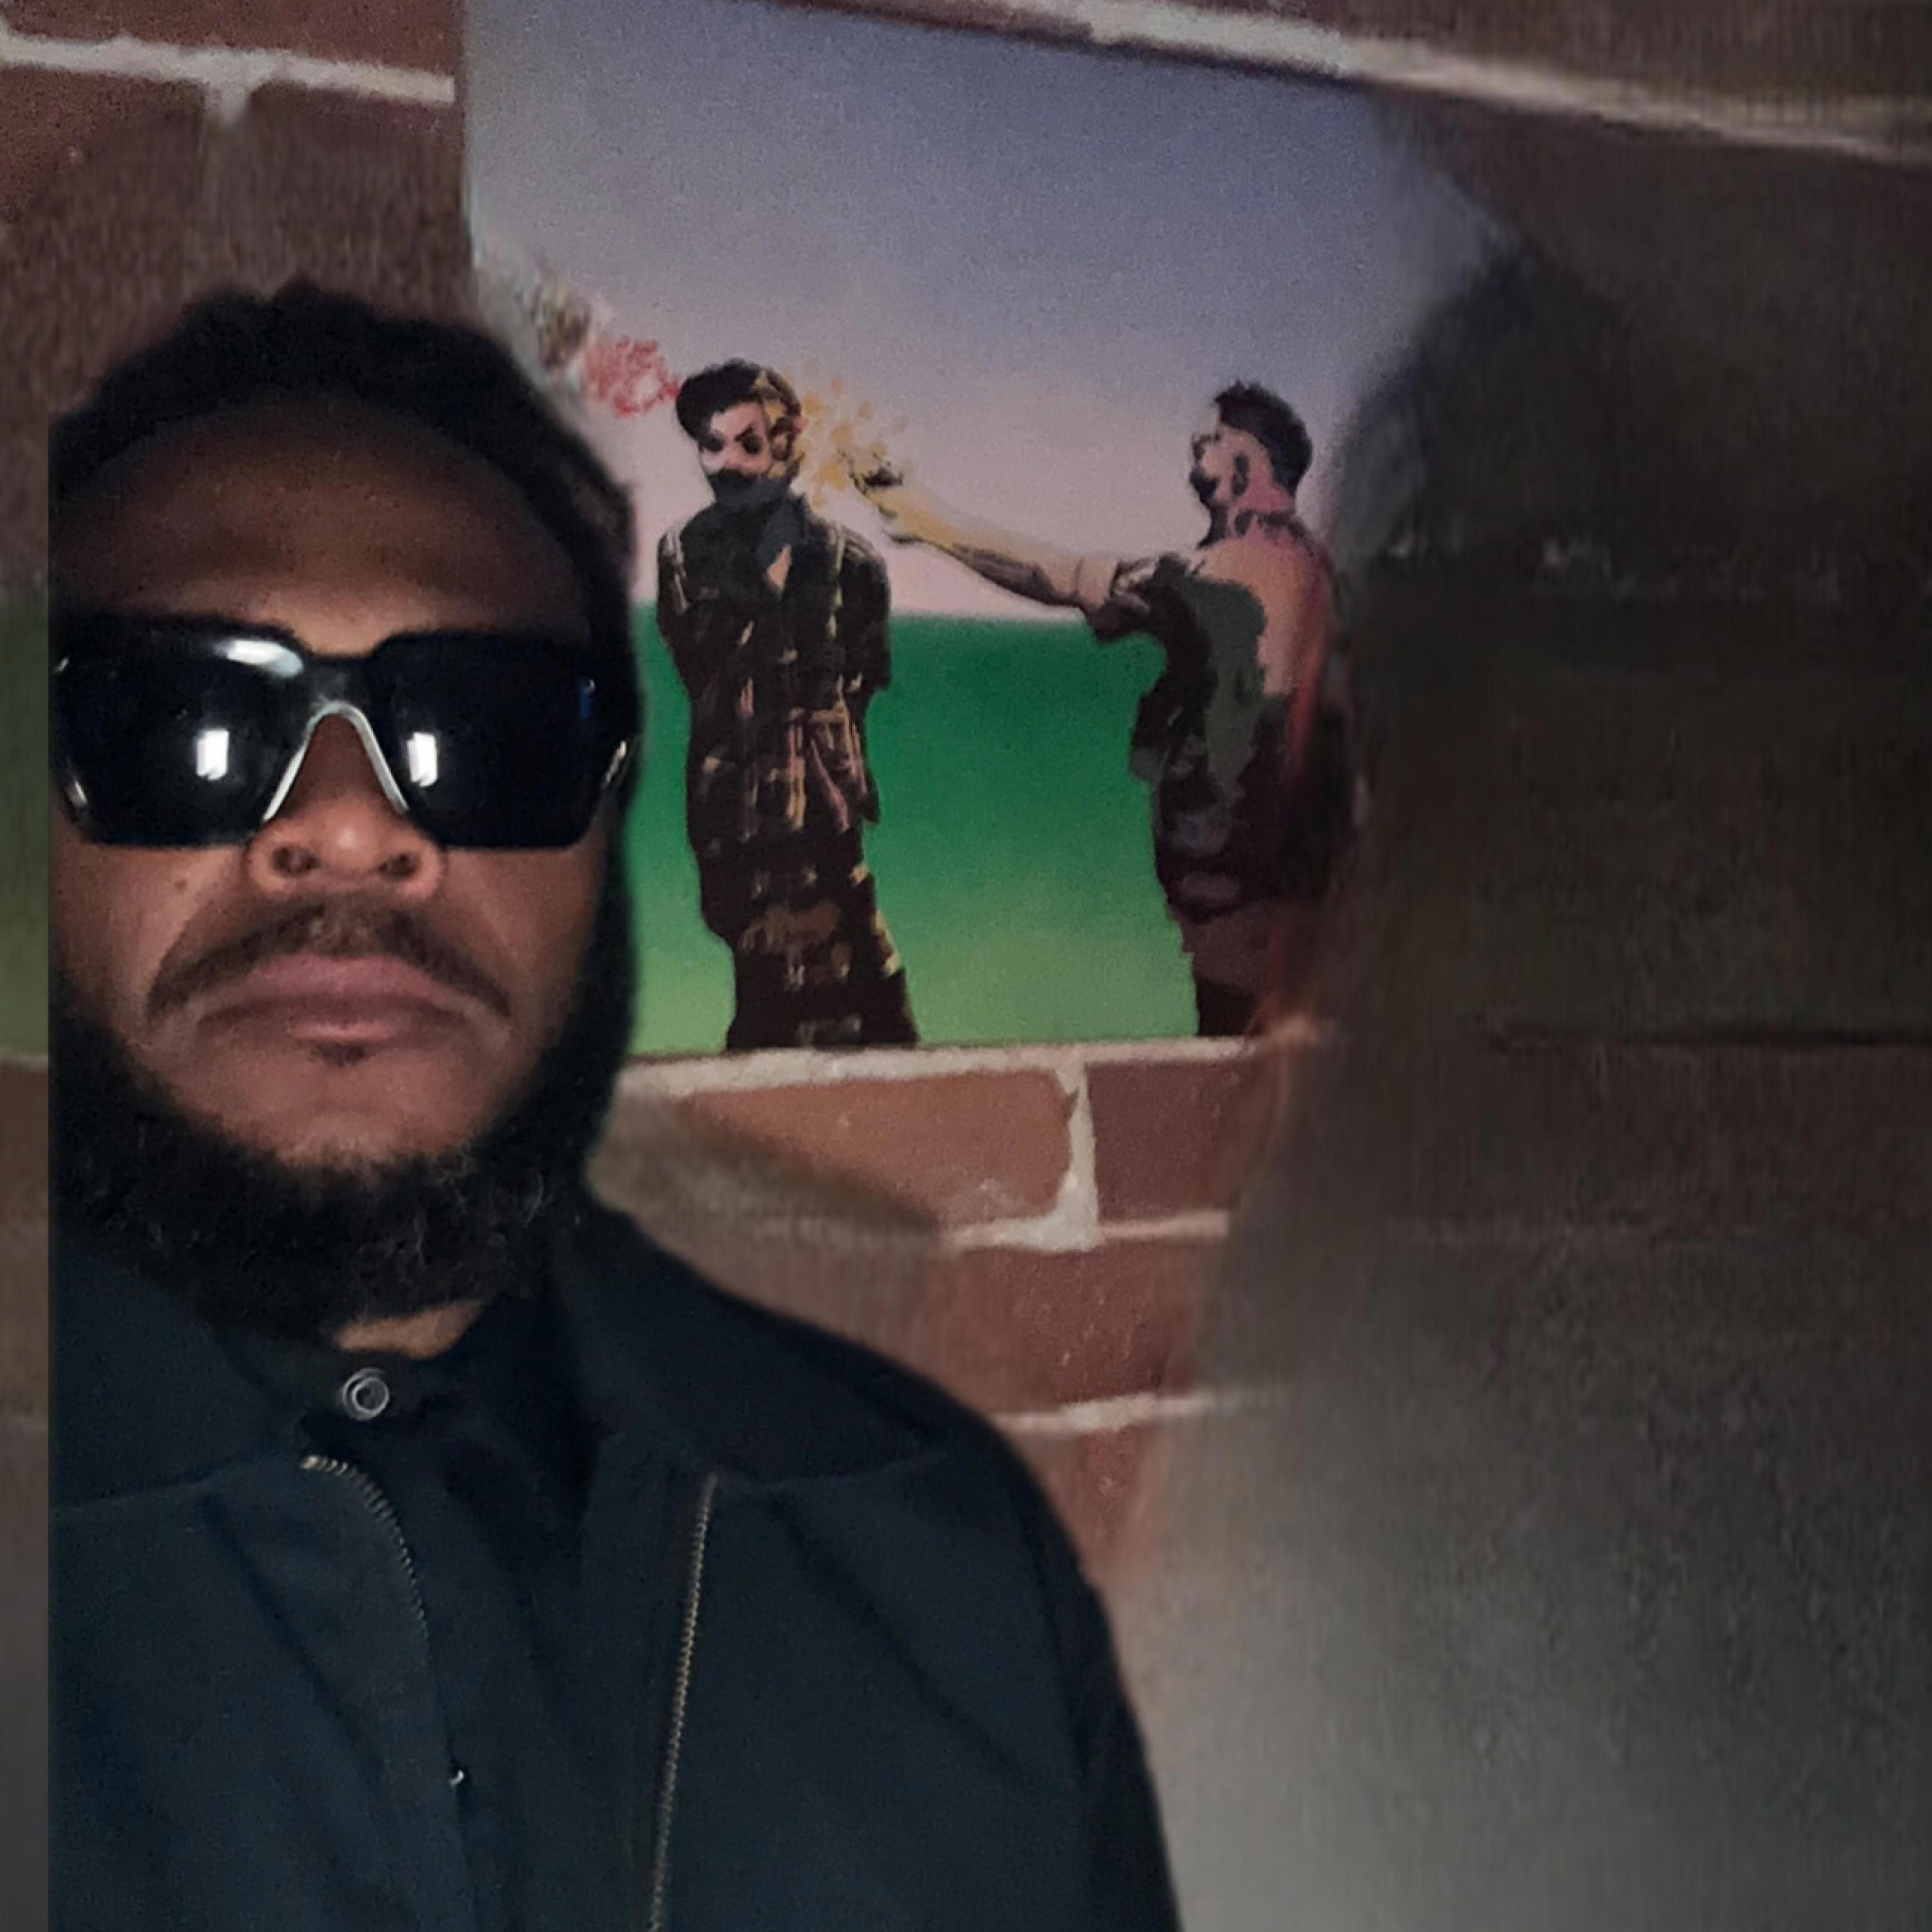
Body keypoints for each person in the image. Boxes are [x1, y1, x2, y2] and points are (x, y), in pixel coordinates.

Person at [49, 285, 1176, 1932]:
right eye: (185, 720)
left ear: (599, 829)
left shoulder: (940, 1561)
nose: (350, 828)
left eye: (488, 730)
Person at [853, 383, 1354, 1036]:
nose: (1193, 460)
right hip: (1313, 883)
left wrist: (926, 520)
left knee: (1240, 1042)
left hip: (1236, 888)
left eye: (1207, 444)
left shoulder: (1210, 578)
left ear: (1247, 464)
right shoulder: (1325, 576)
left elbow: (1056, 575)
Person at [658, 361, 917, 1050]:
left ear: (788, 444)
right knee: (775, 999)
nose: (727, 464)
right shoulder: (685, 556)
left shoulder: (851, 565)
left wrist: (823, 759)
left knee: (878, 1011)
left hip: (830, 826)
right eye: (711, 446)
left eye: (748, 444)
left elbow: (862, 682)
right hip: (737, 829)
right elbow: (698, 672)